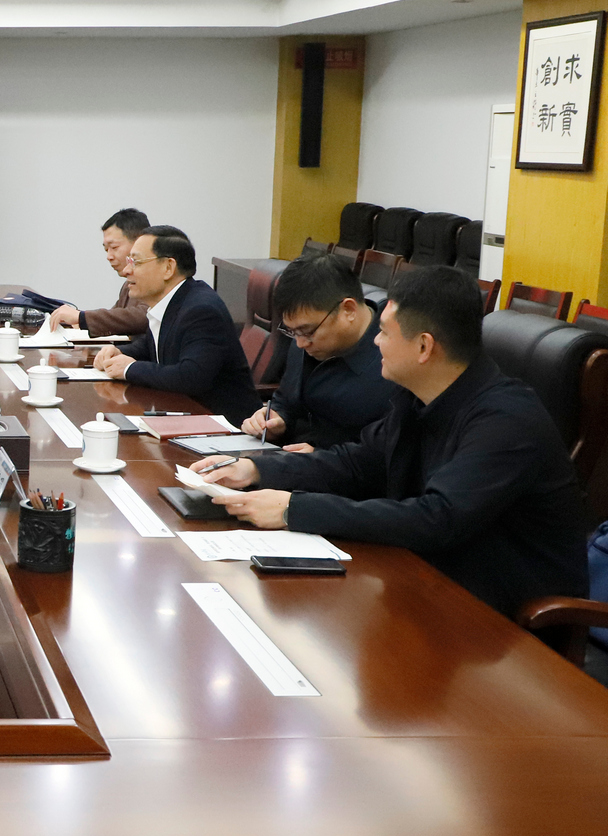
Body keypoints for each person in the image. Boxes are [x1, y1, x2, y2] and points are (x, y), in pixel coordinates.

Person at [196, 266, 588, 619]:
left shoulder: (507, 419)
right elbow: (357, 462)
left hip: (502, 620)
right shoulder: (416, 397)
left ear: (424, 347)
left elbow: (438, 518)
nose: (376, 343)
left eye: (384, 332)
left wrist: (293, 509)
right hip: (426, 581)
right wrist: (256, 468)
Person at [92, 225, 259, 422]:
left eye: (136, 262)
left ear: (168, 268)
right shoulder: (175, 301)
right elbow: (151, 346)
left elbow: (191, 376)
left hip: (225, 426)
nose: (127, 270)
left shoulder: (201, 310)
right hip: (186, 416)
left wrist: (130, 369)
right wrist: (119, 353)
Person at [243, 253, 399, 450]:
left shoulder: (393, 359)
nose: (300, 343)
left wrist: (319, 457)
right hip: (288, 457)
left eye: (307, 332)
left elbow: (383, 452)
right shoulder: (305, 335)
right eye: (292, 332)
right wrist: (275, 419)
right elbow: (285, 402)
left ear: (348, 310)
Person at [47, 208, 151, 337]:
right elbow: (114, 320)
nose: (109, 256)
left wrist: (82, 317)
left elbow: (145, 315)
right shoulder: (128, 284)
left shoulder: (156, 279)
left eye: (114, 247)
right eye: (106, 250)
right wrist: (80, 322)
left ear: (139, 242)